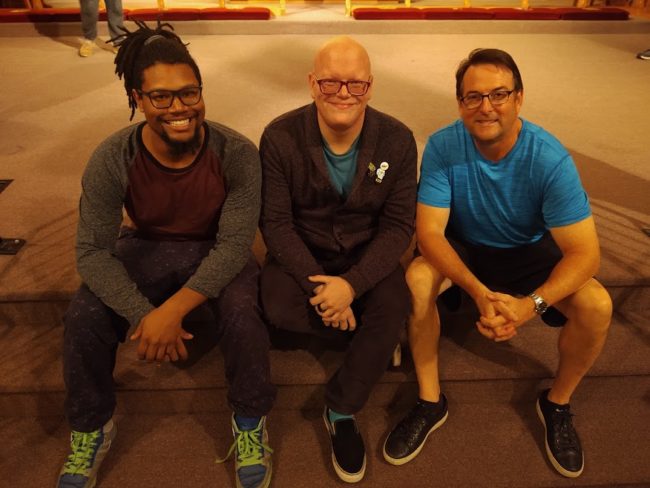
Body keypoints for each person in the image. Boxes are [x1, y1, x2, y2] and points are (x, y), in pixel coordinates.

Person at [57, 22, 275, 488]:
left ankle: (250, 422)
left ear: (201, 91)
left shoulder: (235, 151)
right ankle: (91, 426)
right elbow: (92, 251)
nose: (179, 108)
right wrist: (142, 313)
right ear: (138, 98)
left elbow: (236, 244)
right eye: (161, 97)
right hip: (147, 244)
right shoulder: (113, 156)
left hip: (216, 246)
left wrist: (170, 312)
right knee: (83, 314)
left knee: (242, 309)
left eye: (189, 93)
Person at [383, 48, 612, 479]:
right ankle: (431, 403)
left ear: (519, 99)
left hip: (526, 251)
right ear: (460, 104)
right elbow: (430, 234)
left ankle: (557, 404)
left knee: (598, 305)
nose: (486, 107)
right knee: (416, 281)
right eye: (473, 97)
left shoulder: (549, 158)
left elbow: (587, 253)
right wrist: (475, 289)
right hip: (465, 245)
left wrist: (531, 305)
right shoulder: (443, 145)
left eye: (499, 94)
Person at [258, 36, 417, 484]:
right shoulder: (280, 136)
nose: (344, 95)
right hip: (304, 253)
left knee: (393, 305)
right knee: (276, 306)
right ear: (312, 83)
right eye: (330, 84)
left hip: (367, 254)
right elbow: (275, 224)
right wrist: (322, 289)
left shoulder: (398, 139)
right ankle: (368, 337)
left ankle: (341, 409)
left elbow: (399, 227)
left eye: (356, 85)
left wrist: (352, 285)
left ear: (371, 86)